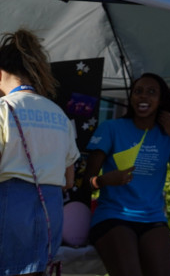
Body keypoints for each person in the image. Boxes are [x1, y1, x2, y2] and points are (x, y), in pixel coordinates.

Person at [84, 73, 170, 276]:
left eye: (151, 92)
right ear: (131, 98)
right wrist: (103, 180)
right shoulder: (111, 128)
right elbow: (86, 181)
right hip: (113, 216)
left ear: (161, 100)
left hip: (152, 219)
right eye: (138, 92)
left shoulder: (166, 136)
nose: (143, 96)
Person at [0, 29, 79, 276]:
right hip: (50, 213)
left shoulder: (4, 109)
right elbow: (69, 180)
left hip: (9, 210)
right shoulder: (60, 115)